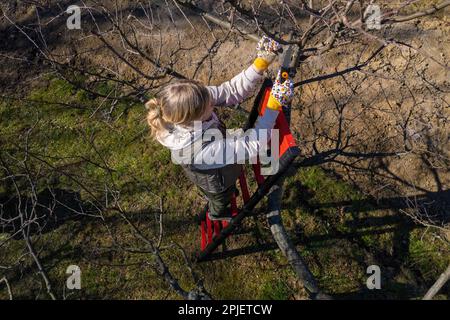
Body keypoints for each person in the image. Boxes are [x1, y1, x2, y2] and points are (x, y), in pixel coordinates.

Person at [146, 36, 294, 221]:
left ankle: (220, 204)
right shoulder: (201, 150)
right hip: (216, 181)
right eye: (210, 105)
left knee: (225, 188)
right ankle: (217, 214)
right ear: (195, 119)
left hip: (219, 155)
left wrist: (261, 63)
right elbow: (252, 145)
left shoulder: (194, 101)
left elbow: (231, 90)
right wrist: (273, 105)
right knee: (221, 197)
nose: (213, 103)